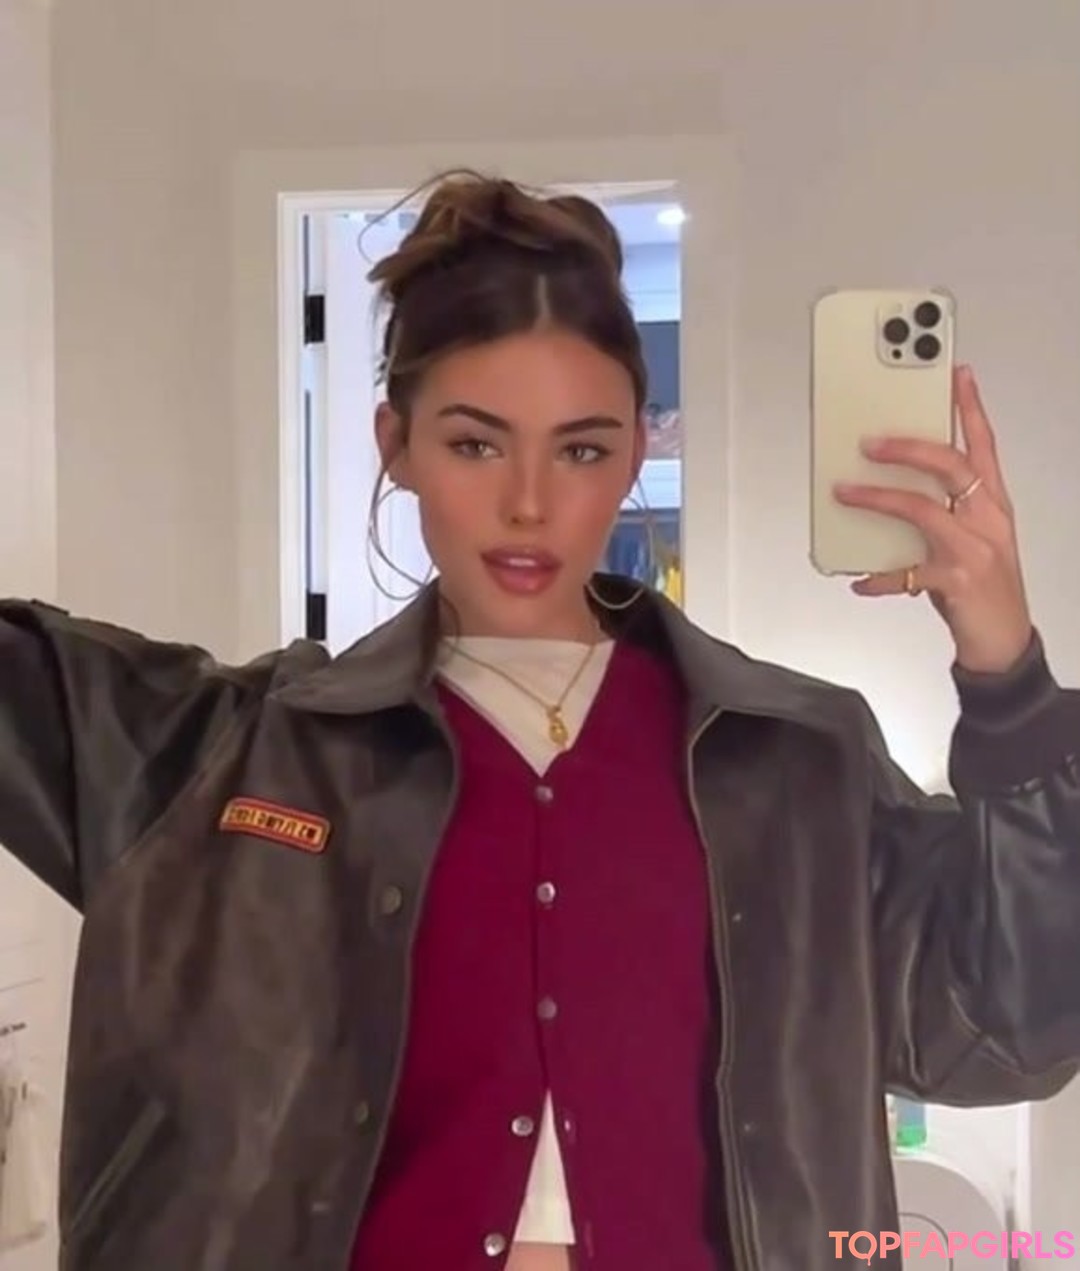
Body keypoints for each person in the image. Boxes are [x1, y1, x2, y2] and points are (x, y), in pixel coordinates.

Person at [1, 171, 1079, 1271]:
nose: (529, 501)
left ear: (636, 451)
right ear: (395, 443)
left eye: (581, 448)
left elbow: (1011, 1028)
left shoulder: (793, 759)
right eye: (475, 443)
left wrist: (1008, 679)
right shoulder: (222, 758)